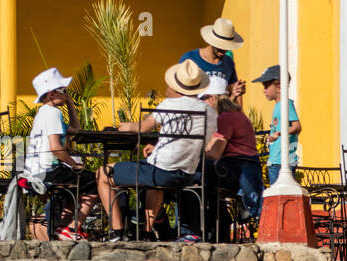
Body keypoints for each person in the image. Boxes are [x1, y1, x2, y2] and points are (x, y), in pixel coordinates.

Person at [95, 60, 224, 242]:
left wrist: (125, 126)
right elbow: (193, 142)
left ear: (176, 87)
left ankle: (117, 232)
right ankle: (146, 232)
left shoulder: (169, 104)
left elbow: (142, 128)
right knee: (154, 183)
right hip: (186, 174)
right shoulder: (209, 112)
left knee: (102, 173)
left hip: (160, 171)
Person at [20, 67, 99, 241]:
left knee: (77, 183)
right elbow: (55, 148)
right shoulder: (53, 113)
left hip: (37, 171)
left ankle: (64, 228)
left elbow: (76, 130)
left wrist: (70, 104)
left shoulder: (45, 113)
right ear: (50, 94)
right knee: (96, 181)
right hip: (48, 171)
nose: (66, 93)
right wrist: (74, 165)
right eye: (63, 90)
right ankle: (72, 228)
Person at [207, 74, 263, 229]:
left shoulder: (225, 118)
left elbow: (215, 152)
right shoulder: (236, 115)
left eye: (204, 98)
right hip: (247, 167)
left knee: (198, 179)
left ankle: (205, 227)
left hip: (236, 168)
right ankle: (222, 219)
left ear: (213, 98)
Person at [255, 64, 301, 185]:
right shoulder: (278, 106)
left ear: (279, 87)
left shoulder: (286, 104)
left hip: (283, 161)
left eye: (266, 86)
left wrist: (278, 133)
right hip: (276, 160)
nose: (264, 90)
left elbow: (296, 126)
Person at [179, 17, 242, 87]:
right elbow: (172, 91)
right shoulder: (190, 58)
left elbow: (234, 90)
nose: (223, 50)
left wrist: (236, 92)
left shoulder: (228, 62)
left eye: (226, 47)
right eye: (220, 46)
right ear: (211, 42)